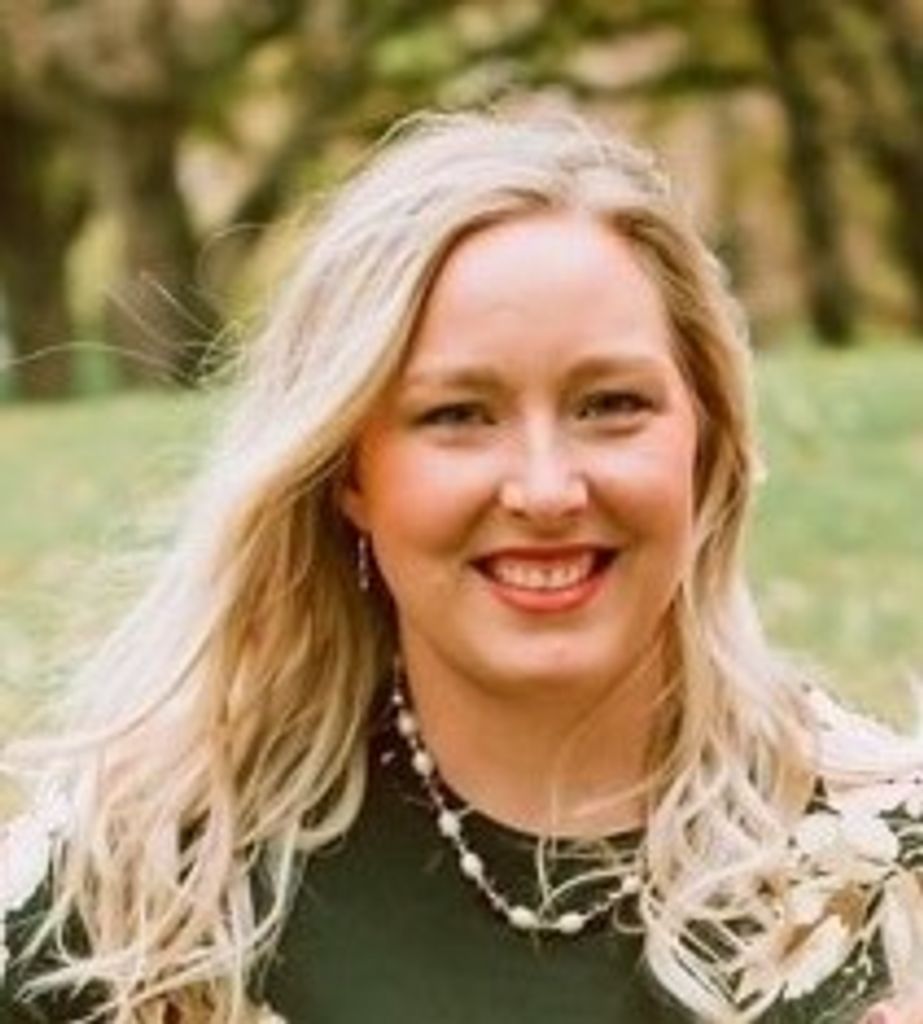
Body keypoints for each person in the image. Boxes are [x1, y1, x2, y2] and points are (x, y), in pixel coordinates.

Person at [2, 106, 922, 1024]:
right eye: (456, 416)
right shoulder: (142, 893)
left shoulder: (890, 883)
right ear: (347, 472)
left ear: (706, 441)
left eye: (610, 404)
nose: (546, 490)